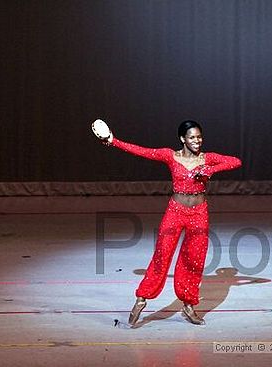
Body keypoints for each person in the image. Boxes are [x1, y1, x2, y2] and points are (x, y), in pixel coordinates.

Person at [100, 120, 242, 326]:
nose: (197, 141)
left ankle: (188, 304)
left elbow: (235, 161)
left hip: (199, 214)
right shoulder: (170, 155)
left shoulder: (207, 158)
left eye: (199, 137)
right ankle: (142, 298)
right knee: (162, 255)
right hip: (175, 212)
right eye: (192, 137)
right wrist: (113, 141)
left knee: (194, 260)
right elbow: (142, 151)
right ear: (182, 139)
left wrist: (210, 171)